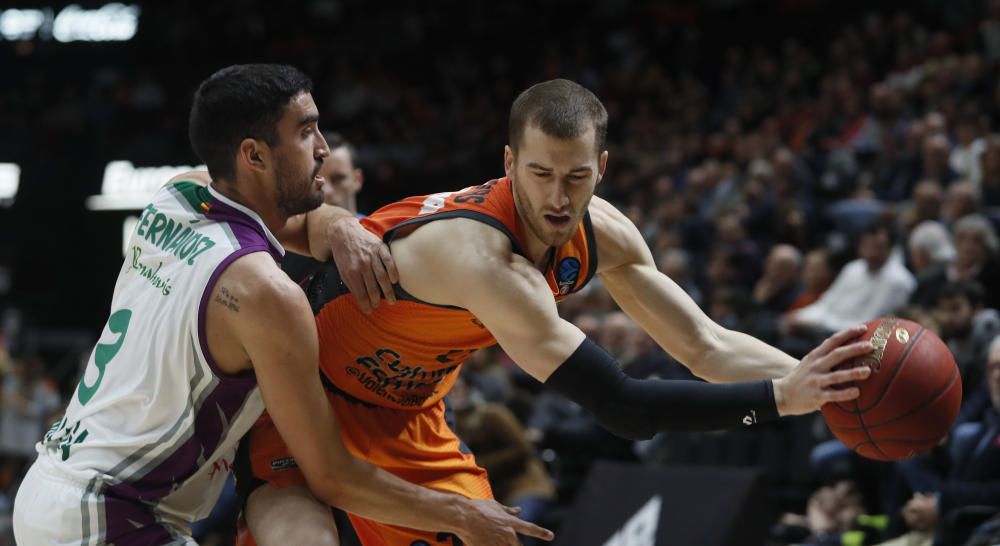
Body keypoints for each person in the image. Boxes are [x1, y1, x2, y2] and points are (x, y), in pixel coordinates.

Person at [233, 78, 876, 546]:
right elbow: (625, 407)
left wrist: (822, 380)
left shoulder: (606, 235)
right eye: (540, 174)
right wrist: (778, 401)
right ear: (509, 164)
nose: (558, 199)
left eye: (575, 177)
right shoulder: (485, 262)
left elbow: (705, 345)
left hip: (411, 415)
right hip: (307, 399)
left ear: (601, 168)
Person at [12, 64, 549, 546]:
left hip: (53, 487)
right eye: (305, 130)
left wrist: (342, 226)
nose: (322, 147)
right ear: (253, 155)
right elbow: (333, 476)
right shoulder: (264, 294)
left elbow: (299, 222)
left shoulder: (173, 198)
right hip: (112, 516)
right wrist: (464, 514)